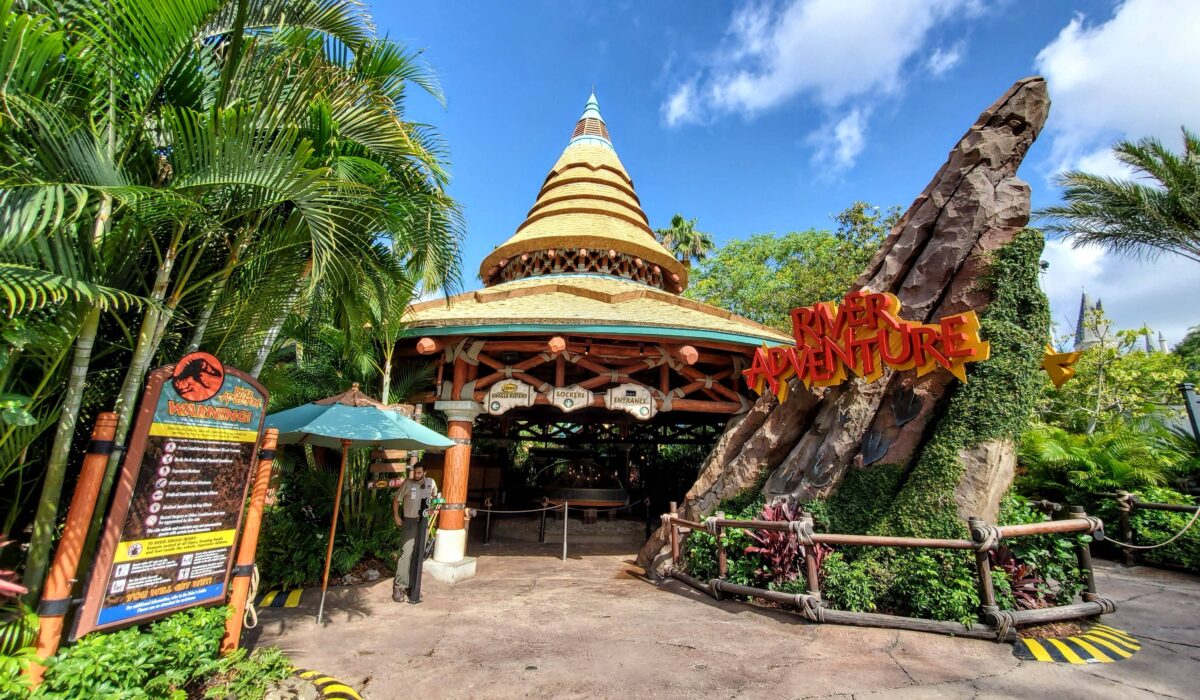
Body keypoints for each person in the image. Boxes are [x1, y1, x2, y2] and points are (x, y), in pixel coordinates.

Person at [392, 464, 437, 602]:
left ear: (425, 472)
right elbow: (396, 500)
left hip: (423, 522)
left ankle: (414, 586)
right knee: (406, 554)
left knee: (418, 554)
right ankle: (399, 587)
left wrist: (433, 508)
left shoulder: (431, 483)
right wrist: (396, 516)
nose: (416, 475)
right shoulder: (407, 483)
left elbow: (435, 497)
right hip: (410, 522)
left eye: (419, 473)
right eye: (415, 473)